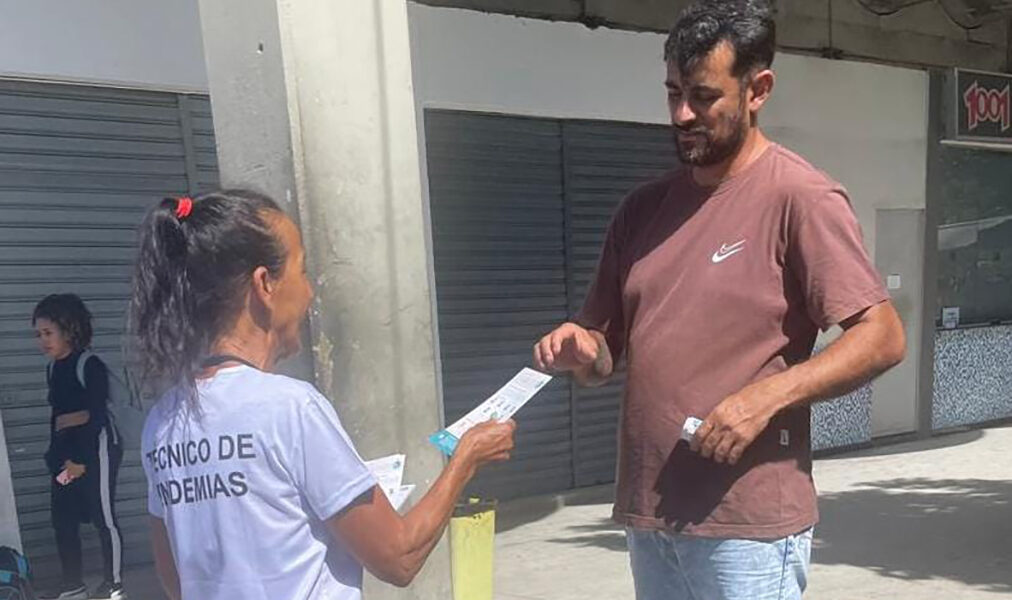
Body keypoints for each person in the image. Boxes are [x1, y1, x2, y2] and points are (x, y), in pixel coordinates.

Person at [532, 1, 907, 598]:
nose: (682, 113)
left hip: (748, 529)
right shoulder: (642, 211)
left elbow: (883, 336)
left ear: (758, 90)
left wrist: (766, 397)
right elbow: (603, 359)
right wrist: (584, 348)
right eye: (672, 92)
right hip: (649, 515)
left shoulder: (800, 198)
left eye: (704, 96)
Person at [130, 190, 514, 600]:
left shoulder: (163, 421)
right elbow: (399, 557)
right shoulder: (290, 407)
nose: (310, 292)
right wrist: (465, 459)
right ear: (265, 284)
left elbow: (176, 580)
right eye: (303, 269)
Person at [33, 294, 125, 600]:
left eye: (48, 333)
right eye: (38, 334)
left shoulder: (90, 364)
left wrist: (81, 461)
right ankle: (74, 585)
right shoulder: (52, 370)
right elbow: (58, 417)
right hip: (67, 459)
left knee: (103, 517)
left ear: (69, 329)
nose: (42, 341)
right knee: (62, 517)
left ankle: (113, 584)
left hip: (95, 452)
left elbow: (96, 415)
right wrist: (55, 458)